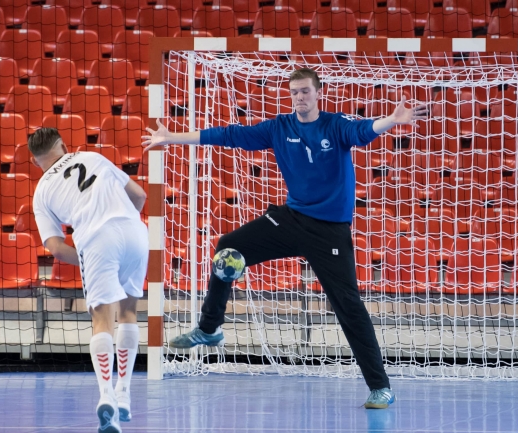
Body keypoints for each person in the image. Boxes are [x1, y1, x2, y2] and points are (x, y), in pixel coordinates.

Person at [142, 67, 427, 409]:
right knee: (227, 247)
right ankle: (210, 327)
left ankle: (380, 387)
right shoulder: (279, 128)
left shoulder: (334, 125)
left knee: (348, 307)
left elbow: (363, 131)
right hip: (291, 219)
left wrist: (391, 121)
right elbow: (231, 135)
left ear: (318, 93)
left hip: (329, 231)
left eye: (305, 91)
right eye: (294, 92)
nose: (299, 98)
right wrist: (173, 137)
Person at [28, 127, 150, 433]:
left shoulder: (41, 191)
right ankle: (124, 393)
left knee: (101, 321)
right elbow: (140, 195)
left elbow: (54, 247)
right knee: (128, 313)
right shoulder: (93, 157)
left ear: (35, 161)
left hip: (97, 238)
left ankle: (106, 395)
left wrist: (87, 257)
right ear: (65, 146)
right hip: (135, 232)